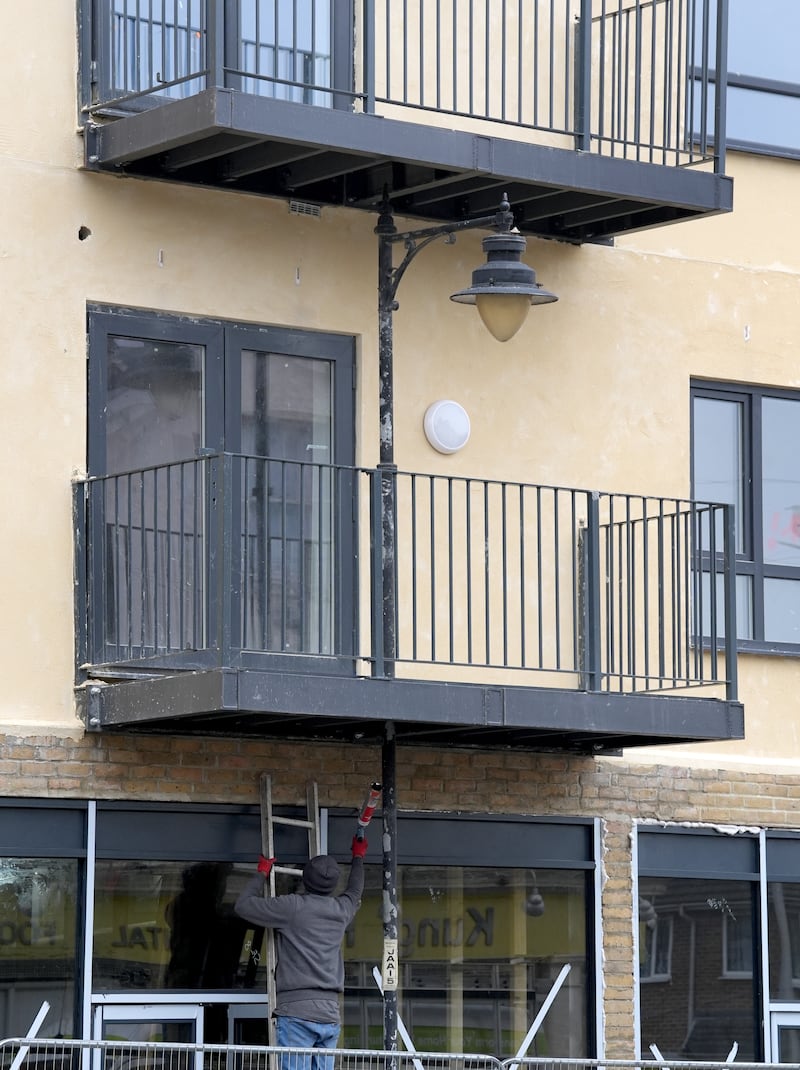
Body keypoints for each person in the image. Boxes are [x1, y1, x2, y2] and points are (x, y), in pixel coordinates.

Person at [234, 836, 367, 1068]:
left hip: (296, 1013)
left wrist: (262, 872)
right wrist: (358, 857)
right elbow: (355, 889)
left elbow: (243, 905)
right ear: (333, 885)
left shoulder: (292, 907)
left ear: (305, 880)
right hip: (329, 1014)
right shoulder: (342, 910)